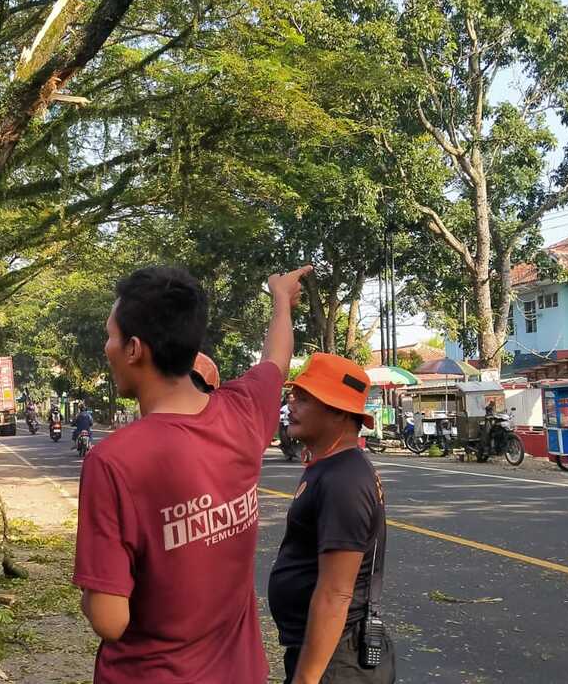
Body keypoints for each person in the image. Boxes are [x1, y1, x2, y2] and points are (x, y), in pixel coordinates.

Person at [73, 264, 311, 683]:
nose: (106, 347)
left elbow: (110, 620)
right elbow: (276, 359)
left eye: (110, 337)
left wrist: (91, 596)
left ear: (134, 349)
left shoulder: (112, 462)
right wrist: (279, 300)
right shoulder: (241, 414)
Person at [268, 353, 395, 684]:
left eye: (304, 399)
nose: (290, 406)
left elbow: (335, 593)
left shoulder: (345, 479)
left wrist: (306, 679)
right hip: (324, 651)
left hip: (336, 661)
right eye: (293, 396)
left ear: (338, 411)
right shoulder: (329, 466)